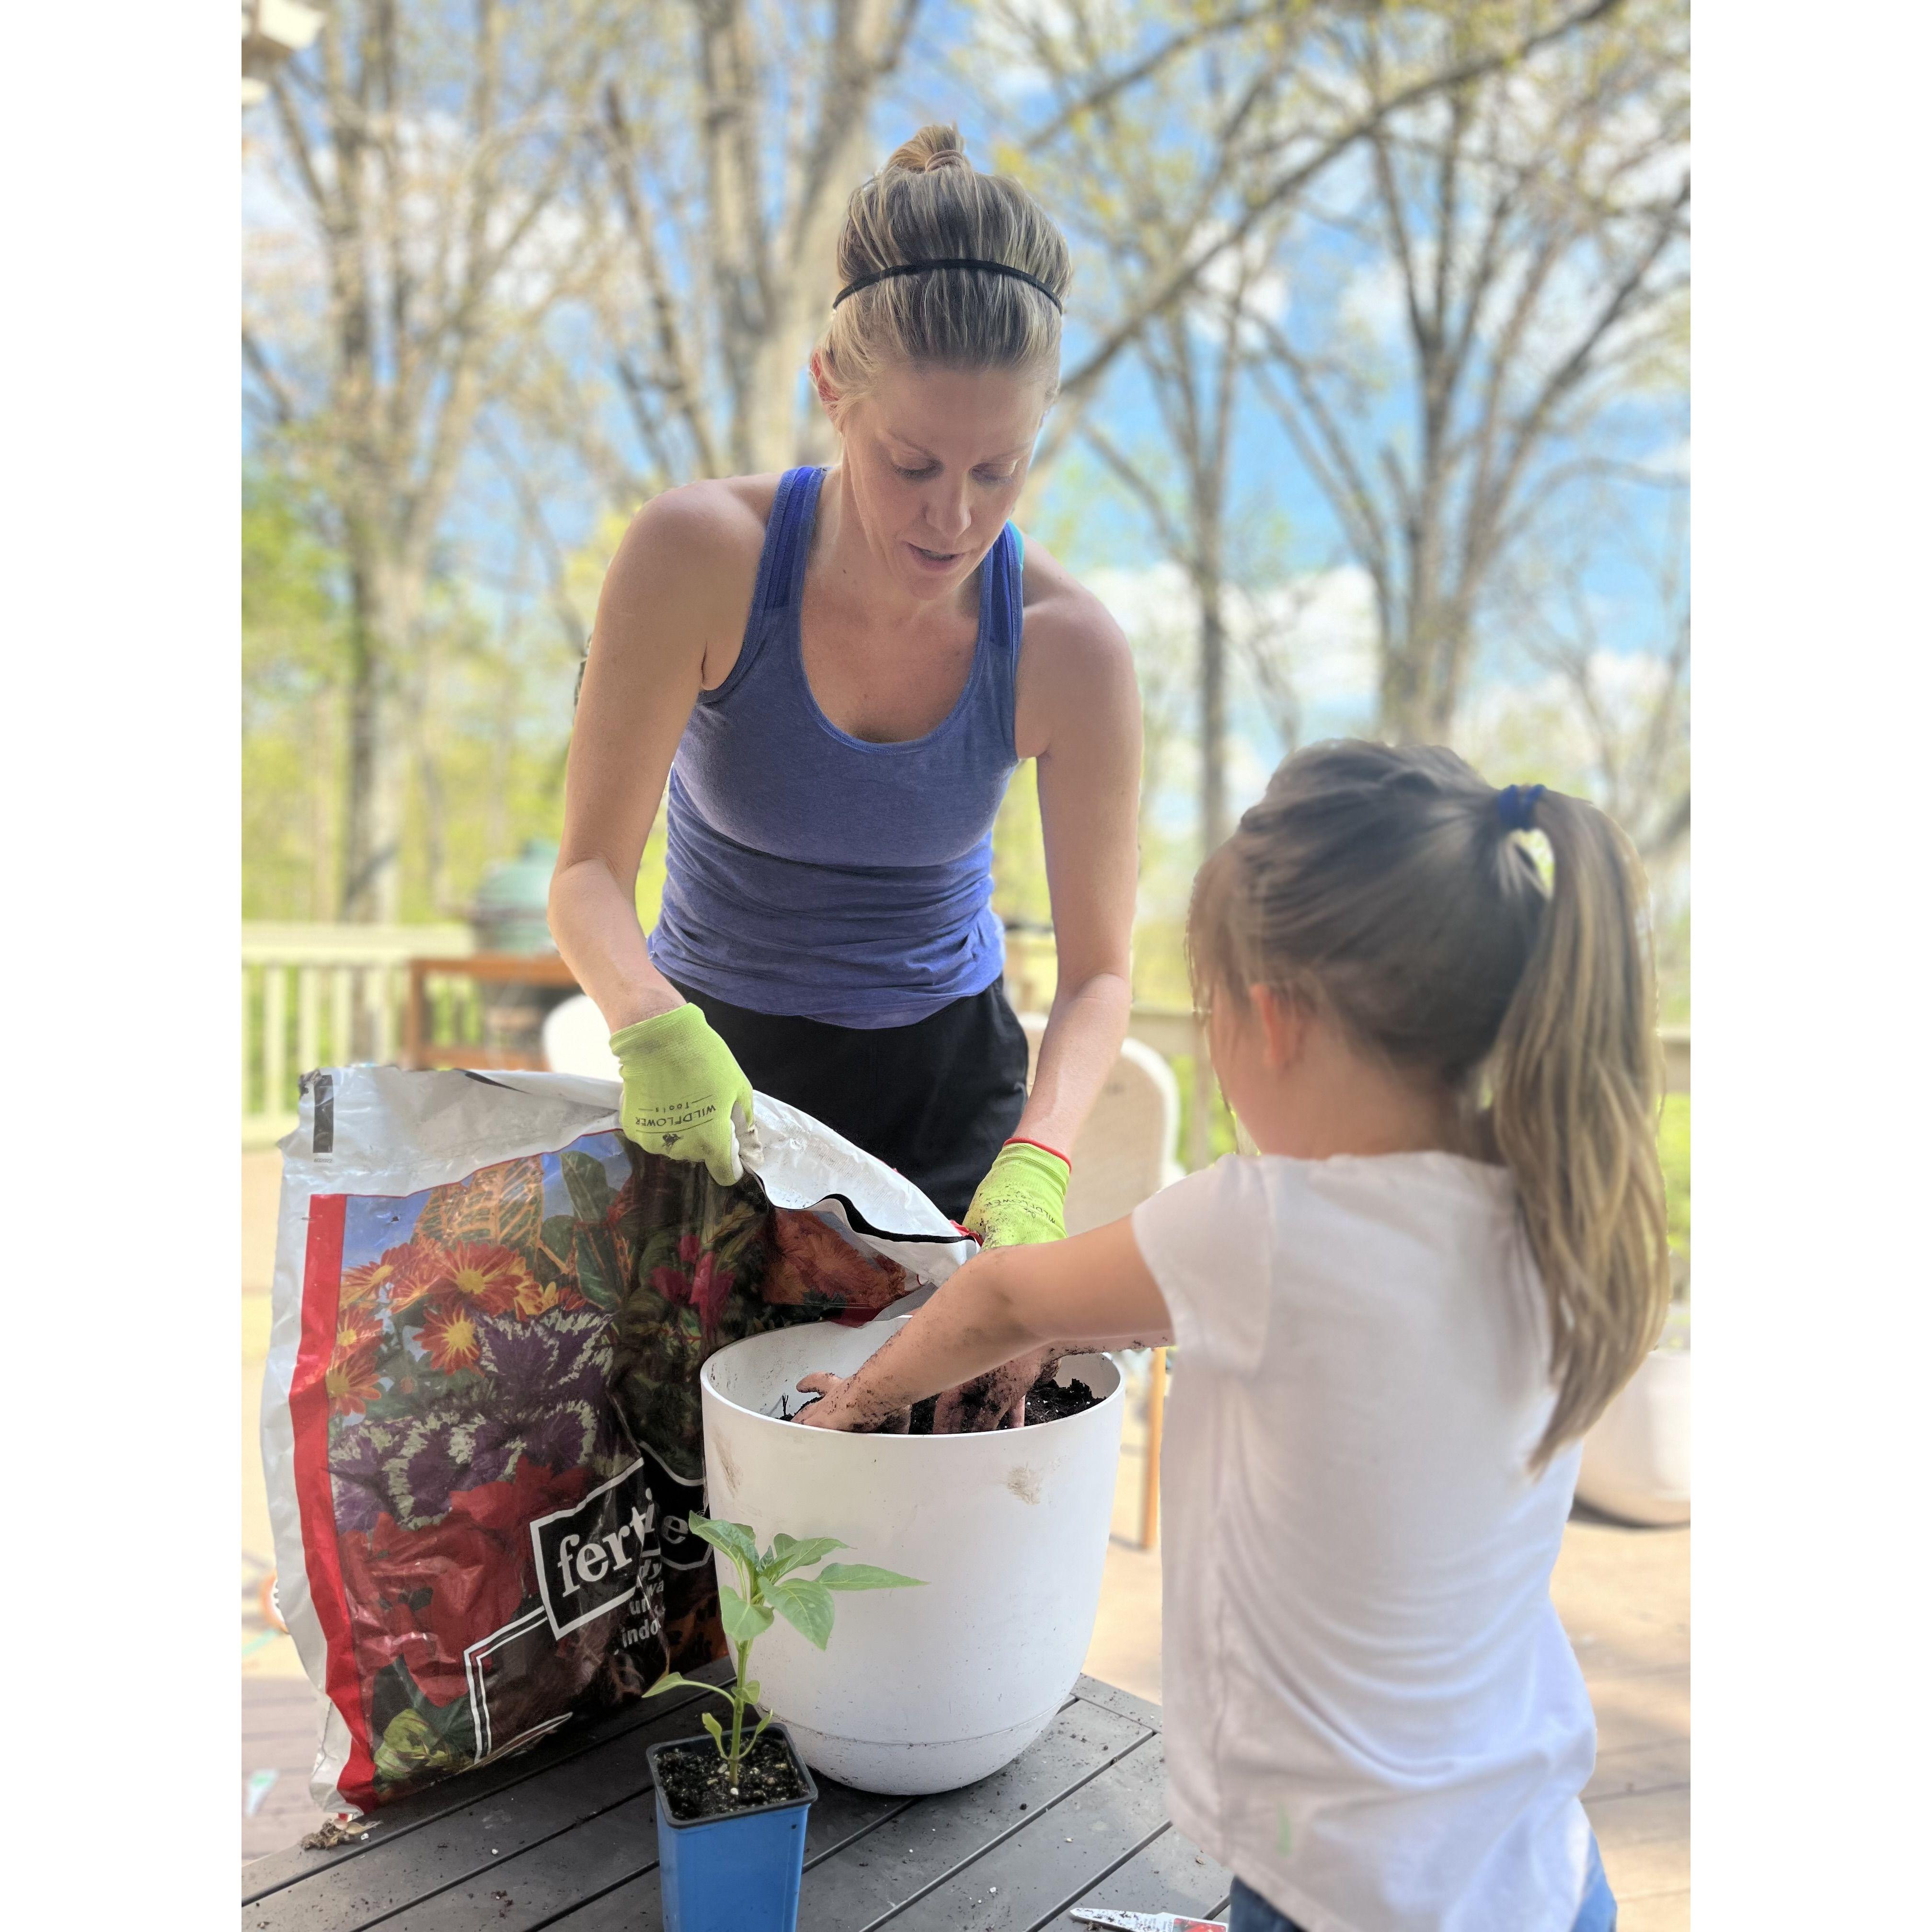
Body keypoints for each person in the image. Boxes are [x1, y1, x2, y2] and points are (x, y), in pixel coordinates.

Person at [797, 741, 1669, 1932]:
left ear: (1273, 1018)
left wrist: (849, 1405)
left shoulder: (1269, 1228)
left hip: (1339, 1891)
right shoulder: (1558, 1210)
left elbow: (1000, 1302)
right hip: (1533, 1867)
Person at [549, 126, 1140, 1426]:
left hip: (951, 1089)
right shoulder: (700, 554)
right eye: (912, 462)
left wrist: (1040, 1154)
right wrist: (649, 1024)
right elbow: (587, 874)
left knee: (927, 1468)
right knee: (691, 1464)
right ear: (831, 389)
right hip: (715, 1060)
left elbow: (1102, 972)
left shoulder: (1068, 648)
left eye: (1001, 470)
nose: (953, 518)